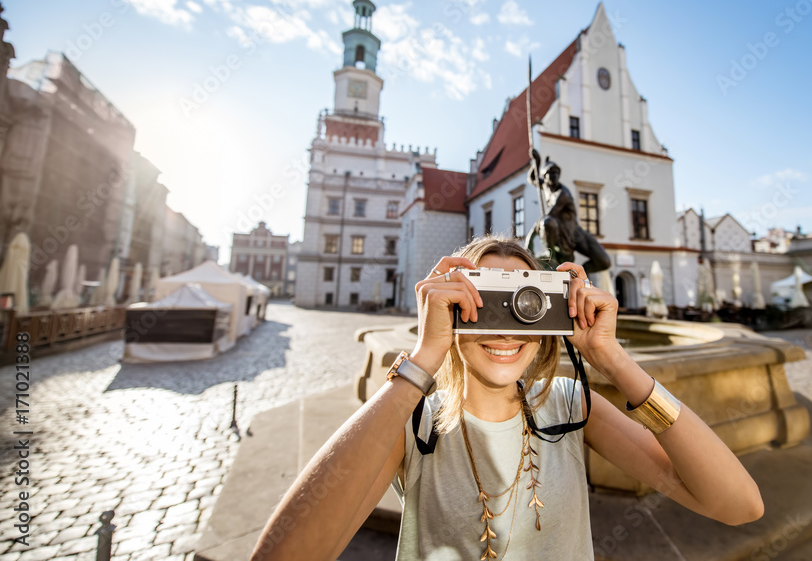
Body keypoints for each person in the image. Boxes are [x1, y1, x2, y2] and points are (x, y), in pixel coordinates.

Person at [251, 236, 763, 561]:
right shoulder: (415, 423)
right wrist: (424, 357)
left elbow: (739, 505)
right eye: (488, 303)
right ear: (450, 307)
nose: (510, 325)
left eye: (529, 304)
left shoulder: (568, 404)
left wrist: (614, 361)